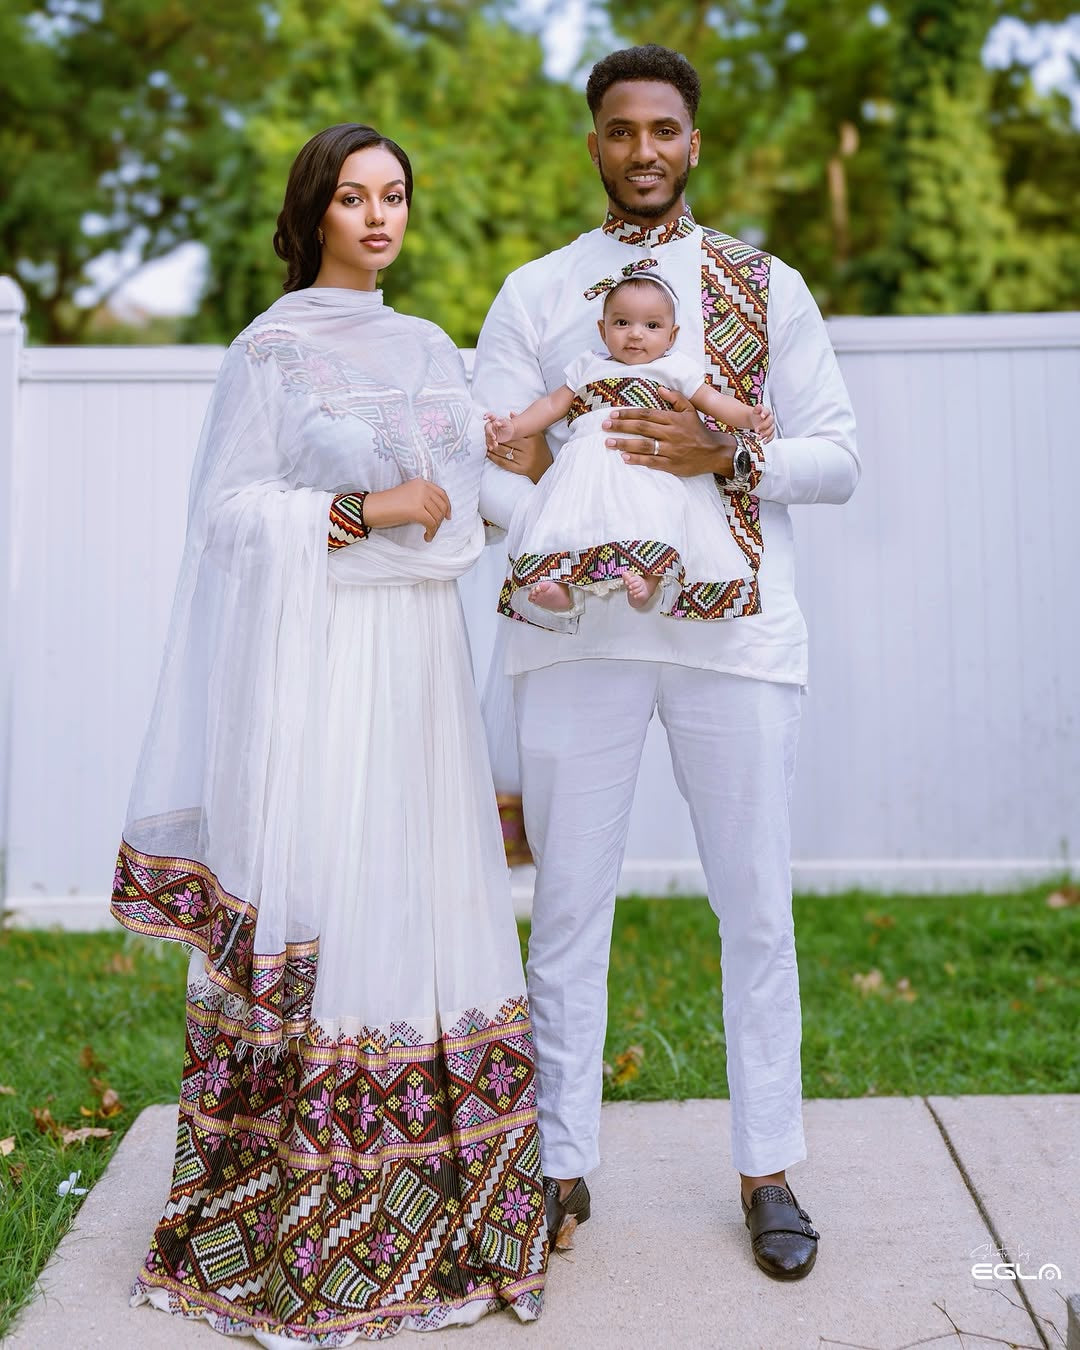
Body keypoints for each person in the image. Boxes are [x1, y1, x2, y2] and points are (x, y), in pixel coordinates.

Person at [109, 124, 546, 1343]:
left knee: (425, 901)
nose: (377, 216)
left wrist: (549, 453)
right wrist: (364, 509)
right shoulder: (274, 349)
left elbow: (479, 481)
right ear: (314, 214)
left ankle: (458, 1217)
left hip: (416, 664)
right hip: (324, 672)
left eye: (395, 194)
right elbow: (231, 517)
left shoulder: (425, 348)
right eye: (353, 197)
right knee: (340, 904)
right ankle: (300, 1218)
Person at [473, 46, 859, 1280]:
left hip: (734, 640)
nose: (644, 149)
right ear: (595, 142)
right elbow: (489, 457)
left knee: (755, 910)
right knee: (567, 914)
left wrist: (725, 460)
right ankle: (558, 1169)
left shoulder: (759, 284)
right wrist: (527, 483)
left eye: (666, 130)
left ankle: (768, 1169)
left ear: (694, 143)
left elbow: (838, 456)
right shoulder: (537, 294)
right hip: (575, 639)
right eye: (621, 129)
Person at [483, 270, 774, 623]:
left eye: (652, 326)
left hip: (649, 466)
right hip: (588, 466)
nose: (636, 334)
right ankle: (559, 586)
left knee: (655, 513)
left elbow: (713, 402)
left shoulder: (673, 368)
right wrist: (514, 425)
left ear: (672, 335)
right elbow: (550, 407)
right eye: (622, 322)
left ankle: (650, 575)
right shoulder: (587, 366)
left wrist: (749, 417)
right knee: (566, 520)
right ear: (603, 330)